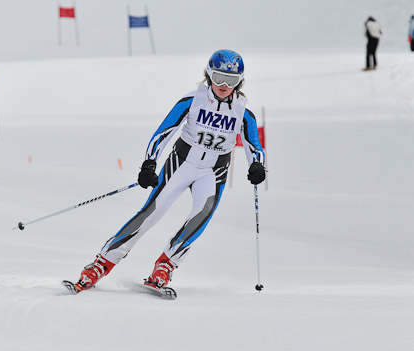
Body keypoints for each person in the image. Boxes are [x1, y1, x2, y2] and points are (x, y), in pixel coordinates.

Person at [67, 49, 266, 293]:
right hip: (181, 163)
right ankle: (102, 263)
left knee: (201, 216)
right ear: (208, 75)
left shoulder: (243, 112)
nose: (224, 85)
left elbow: (253, 146)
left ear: (240, 81)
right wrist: (149, 163)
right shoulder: (192, 100)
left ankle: (166, 265)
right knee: (152, 212)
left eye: (231, 80)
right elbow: (164, 132)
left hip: (213, 171)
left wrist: (257, 165)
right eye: (218, 78)